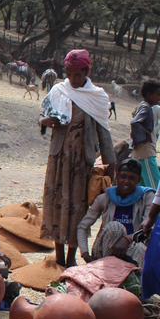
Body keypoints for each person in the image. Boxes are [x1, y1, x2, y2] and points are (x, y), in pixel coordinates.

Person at [39, 48, 115, 267]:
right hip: (58, 160)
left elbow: (104, 131)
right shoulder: (58, 90)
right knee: (56, 204)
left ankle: (72, 258)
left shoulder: (97, 97)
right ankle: (59, 256)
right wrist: (43, 122)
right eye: (69, 74)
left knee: (77, 207)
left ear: (86, 72)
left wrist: (111, 166)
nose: (72, 79)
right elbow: (44, 115)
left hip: (82, 162)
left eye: (77, 75)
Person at [77, 159, 153, 267]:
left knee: (140, 248)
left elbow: (147, 226)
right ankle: (109, 271)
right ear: (117, 177)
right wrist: (85, 254)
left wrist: (127, 238)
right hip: (105, 250)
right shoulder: (105, 198)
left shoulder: (146, 196)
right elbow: (82, 226)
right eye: (123, 177)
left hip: (132, 249)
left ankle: (130, 278)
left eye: (132, 178)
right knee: (115, 227)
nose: (126, 181)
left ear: (139, 180)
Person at [130, 79, 160, 189]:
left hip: (141, 153)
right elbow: (135, 122)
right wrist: (146, 134)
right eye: (157, 95)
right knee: (155, 188)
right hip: (146, 153)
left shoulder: (141, 105)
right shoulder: (146, 108)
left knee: (142, 188)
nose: (159, 98)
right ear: (149, 94)